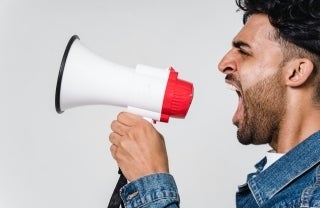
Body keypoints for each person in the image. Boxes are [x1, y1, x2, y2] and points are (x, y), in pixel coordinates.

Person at [109, 0, 320, 207]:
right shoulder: (282, 186)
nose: (223, 64)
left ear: (296, 72)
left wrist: (150, 183)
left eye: (244, 51)